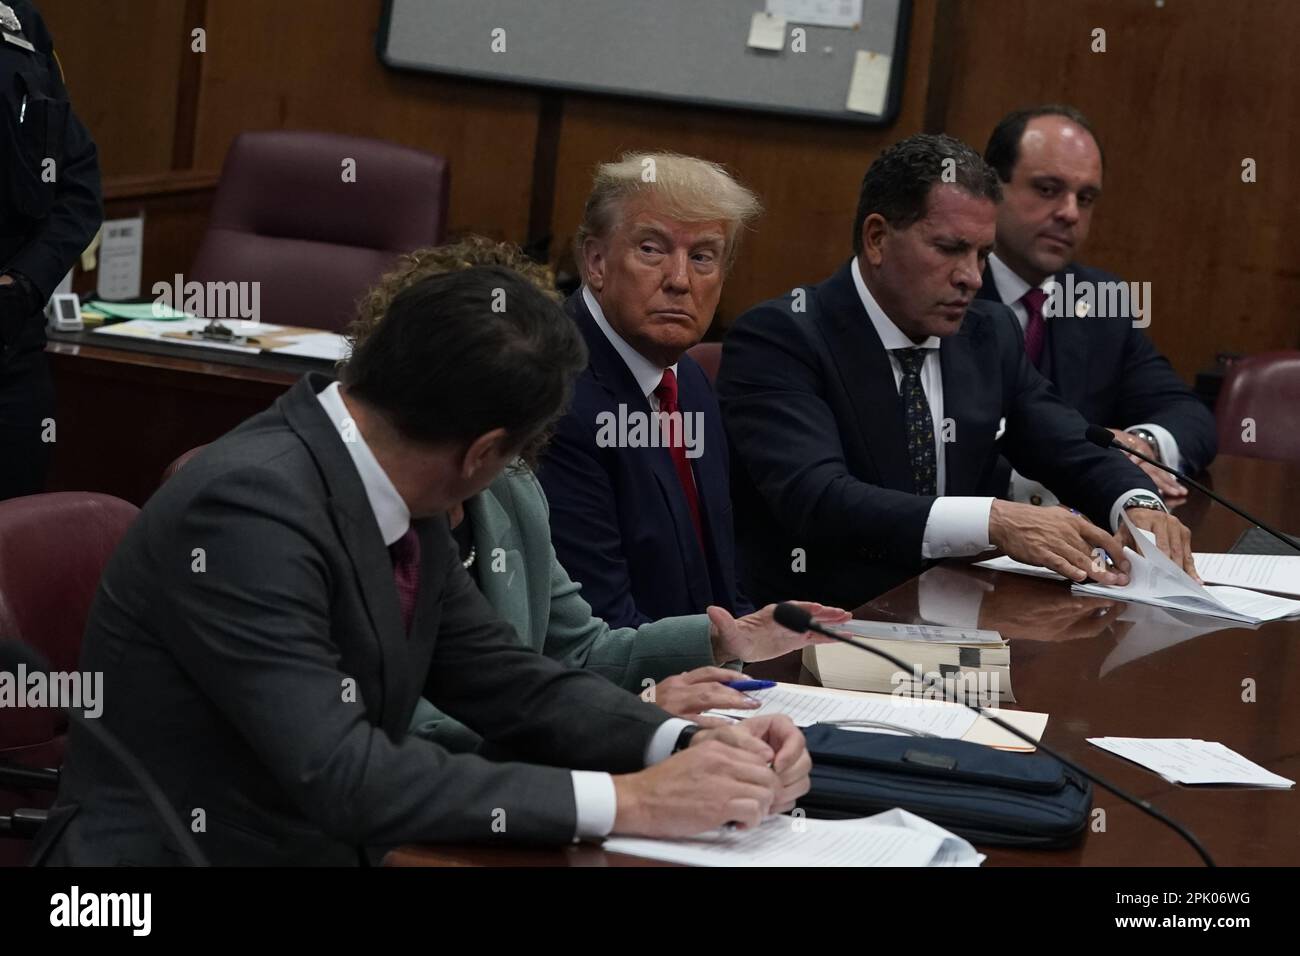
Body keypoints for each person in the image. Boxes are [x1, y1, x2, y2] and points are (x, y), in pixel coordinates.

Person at [32, 266, 809, 866]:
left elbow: (504, 678)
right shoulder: (247, 511)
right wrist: (630, 802)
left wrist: (679, 746)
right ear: (482, 455)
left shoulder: (396, 476)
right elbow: (344, 772)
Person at [342, 237, 848, 752]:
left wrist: (717, 641)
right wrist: (636, 723)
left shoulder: (510, 490)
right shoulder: (353, 515)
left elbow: (576, 653)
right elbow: (411, 730)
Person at [717, 133, 1197, 612]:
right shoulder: (783, 337)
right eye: (950, 248)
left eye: (983, 254)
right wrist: (993, 520)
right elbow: (819, 499)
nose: (972, 276)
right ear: (877, 238)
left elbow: (1071, 444)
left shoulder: (987, 332)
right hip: (821, 627)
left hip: (957, 613)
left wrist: (1137, 503)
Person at [537, 153, 759, 627]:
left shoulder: (690, 380)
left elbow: (721, 581)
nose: (680, 281)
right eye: (652, 250)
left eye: (702, 257)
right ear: (595, 261)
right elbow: (597, 625)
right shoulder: (556, 392)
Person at [980, 105, 1216, 505]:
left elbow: (1188, 414)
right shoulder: (948, 290)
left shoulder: (1099, 300)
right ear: (991, 190)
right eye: (1047, 189)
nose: (1070, 213)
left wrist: (1141, 446)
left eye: (1085, 198)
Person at [0, 0, 102, 499]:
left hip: (12, 345)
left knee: (13, 547)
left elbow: (79, 186)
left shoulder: (17, 25)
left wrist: (24, 281)